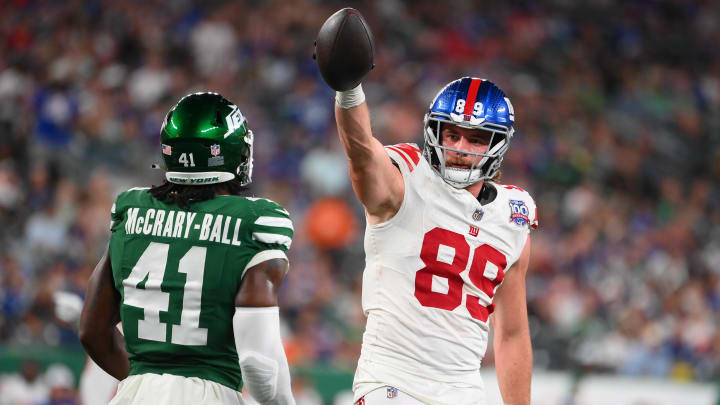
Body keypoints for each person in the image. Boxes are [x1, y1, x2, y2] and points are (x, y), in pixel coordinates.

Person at [328, 75, 537, 405]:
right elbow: (361, 151)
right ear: (435, 131)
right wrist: (349, 87)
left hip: (463, 392)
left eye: (476, 140)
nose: (459, 149)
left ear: (498, 145)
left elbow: (511, 334)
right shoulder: (406, 180)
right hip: (393, 384)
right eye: (452, 135)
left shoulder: (513, 215)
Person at [78, 92, 296, 405]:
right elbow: (257, 364)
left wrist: (150, 381)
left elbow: (92, 330)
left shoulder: (132, 211)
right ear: (231, 151)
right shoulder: (256, 221)